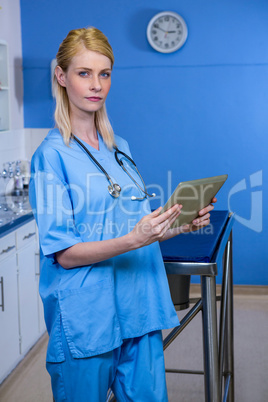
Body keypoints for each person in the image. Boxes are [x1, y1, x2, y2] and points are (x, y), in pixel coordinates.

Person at [29, 27, 215, 402]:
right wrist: (135, 238)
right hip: (87, 314)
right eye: (84, 73)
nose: (96, 84)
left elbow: (135, 227)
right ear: (61, 77)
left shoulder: (120, 148)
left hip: (138, 303)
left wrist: (179, 224)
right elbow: (64, 254)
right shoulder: (50, 157)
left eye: (105, 74)